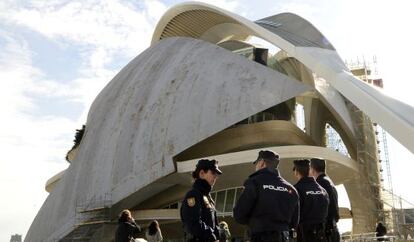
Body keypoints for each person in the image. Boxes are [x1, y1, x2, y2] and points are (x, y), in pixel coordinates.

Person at [233, 150, 299, 242]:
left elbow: (239, 214)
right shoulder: (291, 189)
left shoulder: (254, 182)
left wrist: (254, 223)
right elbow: (294, 221)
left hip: (260, 236)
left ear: (262, 162)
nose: (256, 167)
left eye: (256, 163)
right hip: (284, 237)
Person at [180, 159, 223, 242]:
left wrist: (217, 236)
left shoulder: (207, 197)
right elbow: (193, 223)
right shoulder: (193, 195)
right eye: (213, 173)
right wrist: (212, 237)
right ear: (202, 173)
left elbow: (214, 224)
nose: (215, 177)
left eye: (216, 174)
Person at [292, 159, 329, 242]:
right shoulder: (323, 191)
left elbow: (292, 214)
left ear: (296, 172)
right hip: (321, 234)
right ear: (310, 171)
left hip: (303, 234)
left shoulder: (296, 190)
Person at [310, 158, 340, 242]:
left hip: (325, 231)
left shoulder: (320, 184)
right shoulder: (330, 182)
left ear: (312, 169)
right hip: (333, 229)